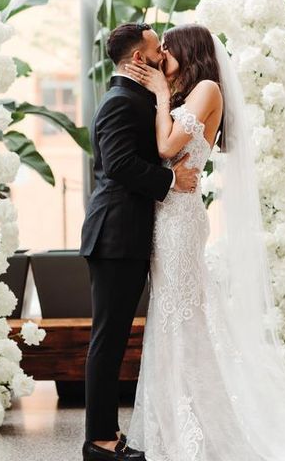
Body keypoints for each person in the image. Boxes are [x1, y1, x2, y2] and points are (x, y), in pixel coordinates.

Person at [123, 23, 285, 460]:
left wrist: (159, 94)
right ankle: (175, 416)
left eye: (168, 49)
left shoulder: (207, 88)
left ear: (189, 51)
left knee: (185, 315)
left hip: (181, 221)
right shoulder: (188, 93)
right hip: (167, 215)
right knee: (173, 315)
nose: (162, 57)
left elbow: (168, 147)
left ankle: (206, 420)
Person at [79, 23, 200, 461]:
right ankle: (100, 441)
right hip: (114, 235)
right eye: (156, 49)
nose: (162, 53)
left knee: (113, 339)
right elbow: (119, 165)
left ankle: (106, 433)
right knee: (108, 339)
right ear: (138, 59)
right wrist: (170, 179)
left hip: (127, 235)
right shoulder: (119, 101)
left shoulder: (138, 99)